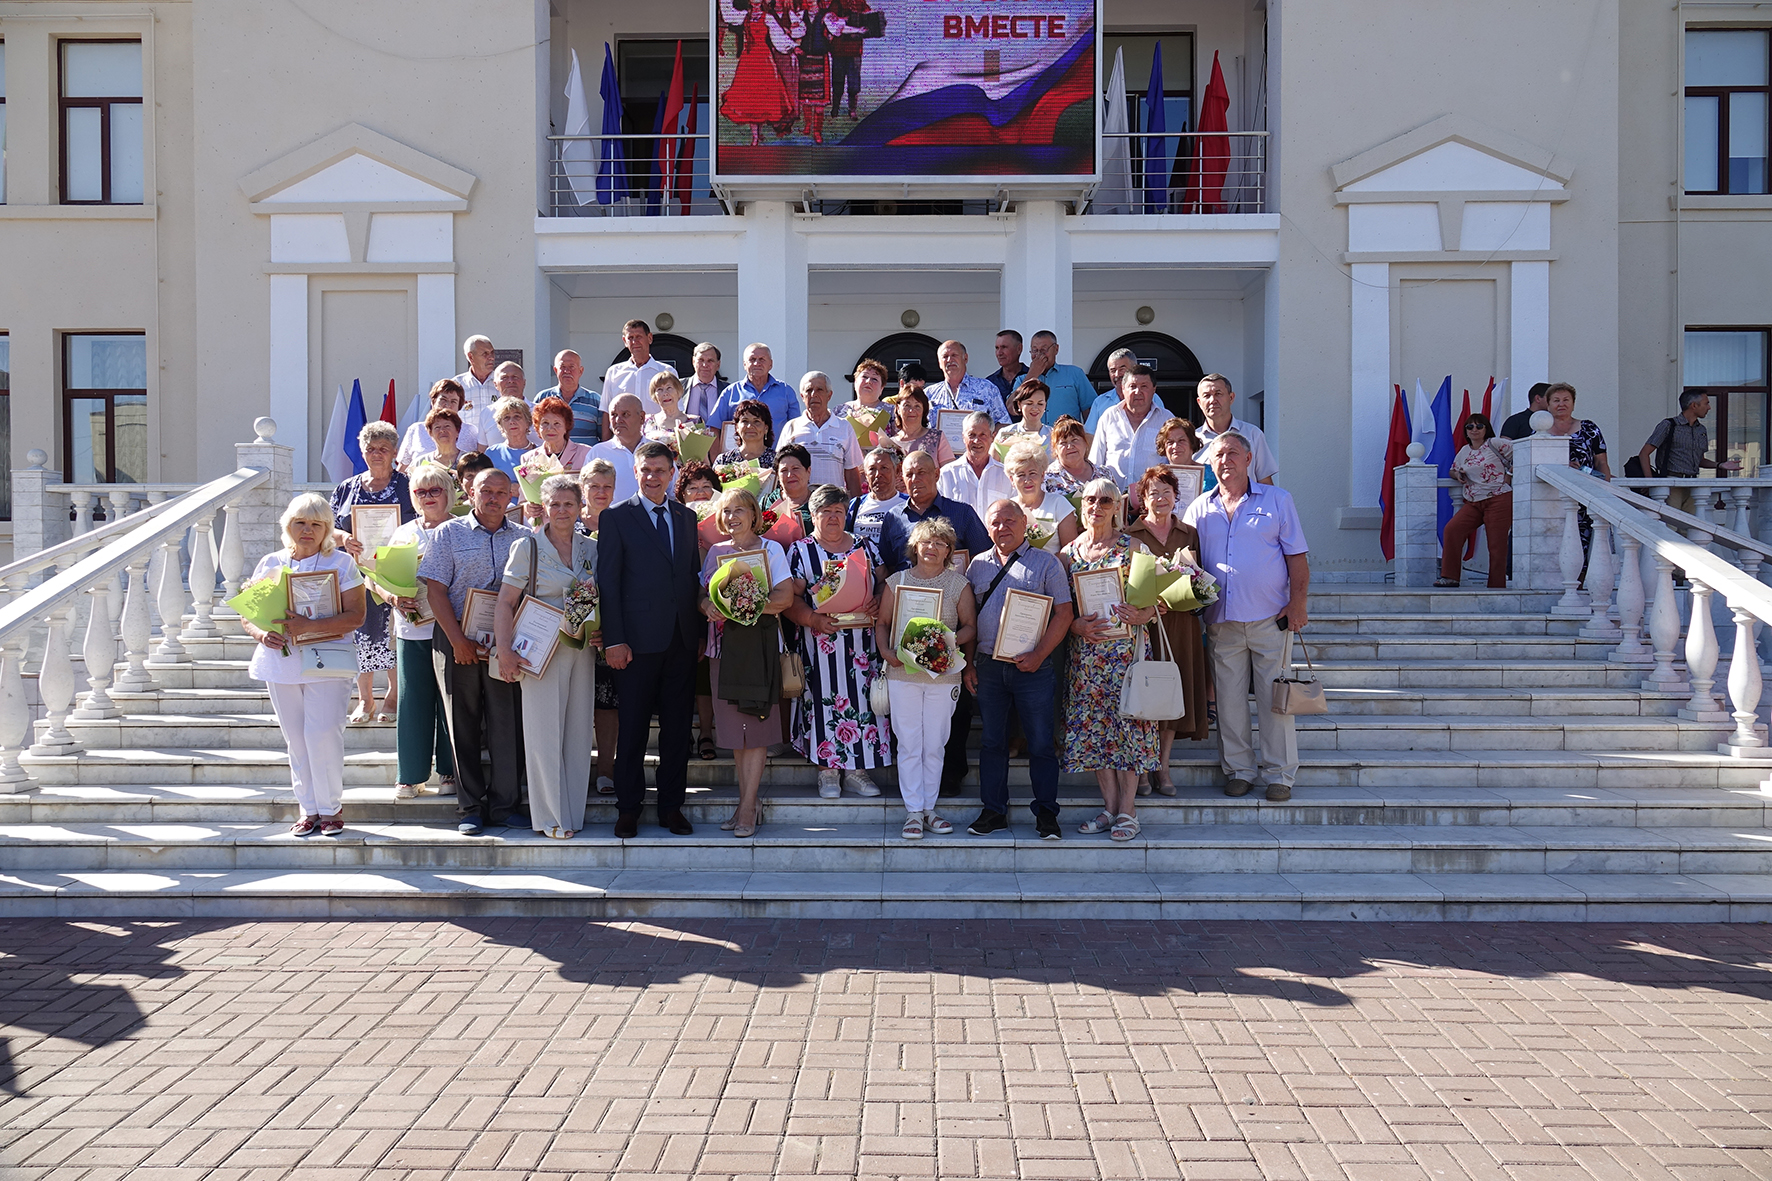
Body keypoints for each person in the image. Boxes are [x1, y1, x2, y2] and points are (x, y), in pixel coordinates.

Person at [1183, 431, 1310, 803]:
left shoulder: (1277, 500)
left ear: (1249, 458)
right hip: (1221, 622)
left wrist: (1298, 604)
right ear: (1210, 463)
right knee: (1229, 701)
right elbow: (1187, 561)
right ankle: (1239, 771)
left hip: (1271, 618)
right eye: (1219, 455)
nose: (1226, 461)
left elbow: (1297, 557)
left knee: (1276, 699)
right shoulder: (1198, 508)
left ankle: (1280, 775)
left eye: (1233, 454)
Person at [596, 440, 704, 839]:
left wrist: (697, 633)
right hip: (636, 644)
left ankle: (671, 807)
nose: (653, 476)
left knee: (677, 730)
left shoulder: (686, 516)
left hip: (680, 640)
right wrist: (615, 640)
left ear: (672, 472)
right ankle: (629, 808)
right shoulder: (616, 517)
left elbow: (690, 576)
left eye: (661, 469)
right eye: (646, 469)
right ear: (636, 472)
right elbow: (608, 581)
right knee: (633, 729)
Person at [244, 494, 369, 836]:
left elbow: (356, 615)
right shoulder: (270, 563)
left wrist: (309, 627)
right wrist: (260, 634)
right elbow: (248, 615)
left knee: (323, 734)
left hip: (326, 660)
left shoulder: (341, 563)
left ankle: (331, 808)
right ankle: (308, 809)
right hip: (281, 663)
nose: (308, 530)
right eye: (301, 522)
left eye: (317, 524)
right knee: (296, 739)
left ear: (327, 529)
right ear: (288, 526)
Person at [420, 467, 528, 834]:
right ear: (471, 491)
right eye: (486, 491)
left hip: (505, 645)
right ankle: (469, 807)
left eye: (501, 492)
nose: (494, 498)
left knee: (507, 722)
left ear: (512, 495)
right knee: (461, 723)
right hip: (456, 641)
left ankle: (505, 805)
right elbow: (435, 591)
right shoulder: (448, 533)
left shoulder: (524, 538)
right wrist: (457, 642)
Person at [878, 449, 992, 793]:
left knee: (948, 727)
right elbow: (885, 565)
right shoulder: (894, 518)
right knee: (911, 735)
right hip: (903, 650)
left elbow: (984, 560)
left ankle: (948, 780)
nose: (916, 479)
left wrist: (951, 643)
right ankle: (915, 800)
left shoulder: (962, 513)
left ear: (937, 473)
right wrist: (888, 647)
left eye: (923, 472)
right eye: (909, 474)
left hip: (949, 642)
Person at [493, 474, 599, 840]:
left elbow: (594, 596)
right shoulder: (528, 547)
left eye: (569, 504)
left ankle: (571, 814)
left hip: (580, 648)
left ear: (580, 507)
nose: (562, 510)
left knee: (578, 731)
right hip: (539, 652)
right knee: (543, 733)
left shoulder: (591, 548)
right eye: (555, 504)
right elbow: (505, 602)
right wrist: (504, 651)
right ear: (544, 507)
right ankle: (550, 817)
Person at [963, 499, 1075, 840]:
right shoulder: (977, 566)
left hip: (1033, 669)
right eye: (996, 522)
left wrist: (1040, 655)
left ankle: (1046, 814)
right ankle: (993, 811)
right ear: (987, 527)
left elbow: (1065, 614)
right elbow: (969, 619)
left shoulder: (1047, 564)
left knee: (1041, 743)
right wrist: (968, 664)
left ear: (1025, 522)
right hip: (989, 667)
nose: (1003, 527)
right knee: (993, 743)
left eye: (1010, 520)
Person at [1060, 480, 1162, 841]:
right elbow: (1060, 611)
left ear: (1117, 506)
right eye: (1090, 499)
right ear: (1080, 505)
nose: (1097, 506)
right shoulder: (1067, 554)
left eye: (1106, 500)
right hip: (1087, 659)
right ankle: (1109, 806)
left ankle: (1128, 811)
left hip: (1127, 656)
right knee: (1096, 733)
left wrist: (1145, 613)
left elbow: (1161, 600)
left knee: (1129, 731)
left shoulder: (1134, 547)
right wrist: (1073, 625)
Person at [700, 487, 797, 837]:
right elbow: (703, 595)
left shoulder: (771, 550)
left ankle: (746, 808)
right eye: (726, 511)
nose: (733, 517)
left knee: (754, 732)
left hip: (757, 650)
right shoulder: (715, 552)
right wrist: (708, 606)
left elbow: (784, 597)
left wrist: (745, 605)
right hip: (723, 653)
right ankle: (747, 802)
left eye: (740, 510)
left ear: (754, 514)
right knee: (735, 735)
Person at [783, 483, 891, 796]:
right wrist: (812, 619)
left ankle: (858, 770)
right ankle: (827, 772)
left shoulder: (865, 546)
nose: (833, 517)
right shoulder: (801, 550)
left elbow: (887, 583)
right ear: (813, 516)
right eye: (825, 511)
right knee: (822, 704)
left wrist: (879, 599)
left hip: (863, 647)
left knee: (863, 705)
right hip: (820, 646)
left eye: (839, 511)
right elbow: (791, 600)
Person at [877, 518, 976, 839]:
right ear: (915, 546)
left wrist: (943, 642)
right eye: (926, 542)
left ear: (949, 550)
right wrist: (886, 652)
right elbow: (882, 624)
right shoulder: (897, 581)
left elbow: (970, 628)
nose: (932, 548)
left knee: (934, 744)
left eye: (940, 543)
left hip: (943, 676)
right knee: (908, 743)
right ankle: (913, 812)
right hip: (902, 673)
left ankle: (930, 809)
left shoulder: (958, 584)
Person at [1126, 466, 1211, 786]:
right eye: (1153, 493)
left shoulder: (1189, 533)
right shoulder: (1131, 535)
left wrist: (1184, 595)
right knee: (1146, 689)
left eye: (1166, 492)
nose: (1160, 498)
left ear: (1176, 497)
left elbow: (1199, 576)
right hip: (1144, 625)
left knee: (1173, 687)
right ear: (1143, 500)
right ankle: (1143, 767)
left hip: (1179, 623)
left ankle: (1162, 766)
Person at [331, 420, 413, 724]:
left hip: (396, 572)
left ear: (393, 452)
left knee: (390, 634)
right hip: (356, 573)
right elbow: (330, 528)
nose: (376, 453)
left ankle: (392, 695)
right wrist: (343, 539)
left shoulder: (407, 484)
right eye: (370, 449)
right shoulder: (347, 487)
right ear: (362, 452)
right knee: (361, 635)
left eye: (383, 448)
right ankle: (365, 700)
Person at [388, 466, 459, 801]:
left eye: (435, 490)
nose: (428, 497)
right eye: (421, 492)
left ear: (448, 492)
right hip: (412, 630)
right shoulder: (402, 533)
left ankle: (449, 771)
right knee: (413, 700)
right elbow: (379, 576)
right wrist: (391, 596)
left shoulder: (462, 529)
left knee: (451, 701)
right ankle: (411, 776)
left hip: (452, 629)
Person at [579, 460, 622, 795]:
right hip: (571, 629)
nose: (601, 492)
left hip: (611, 627)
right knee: (574, 701)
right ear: (583, 487)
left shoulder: (624, 522)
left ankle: (606, 767)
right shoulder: (564, 521)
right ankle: (576, 767)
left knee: (608, 702)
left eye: (607, 486)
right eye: (594, 486)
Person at [677, 463, 725, 758]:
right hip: (682, 606)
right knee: (688, 672)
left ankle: (715, 730)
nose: (700, 493)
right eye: (692, 488)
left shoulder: (725, 522)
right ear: (681, 495)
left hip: (715, 605)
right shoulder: (675, 521)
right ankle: (693, 732)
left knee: (709, 670)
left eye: (706, 486)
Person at [1437, 414, 1514, 589]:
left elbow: (1524, 454)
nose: (1474, 430)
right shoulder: (1464, 451)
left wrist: (1509, 475)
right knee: (1452, 529)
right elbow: (1452, 470)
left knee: (1496, 544)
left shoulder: (1495, 444)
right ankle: (1450, 577)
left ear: (1486, 428)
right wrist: (1457, 475)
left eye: (1479, 426)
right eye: (1470, 427)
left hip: (1498, 498)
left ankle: (1496, 585)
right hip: (1473, 501)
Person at [1637, 389, 1739, 515]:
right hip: (1672, 484)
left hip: (1692, 484)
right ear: (1694, 405)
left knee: (1689, 529)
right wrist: (1650, 482)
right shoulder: (1669, 425)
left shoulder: (1701, 430)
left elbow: (1699, 460)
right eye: (1706, 403)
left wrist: (1720, 465)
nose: (1709, 407)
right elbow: (1644, 453)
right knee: (1670, 526)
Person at [1545, 381, 1609, 562]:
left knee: (1584, 543)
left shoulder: (1590, 429)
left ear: (1573, 403)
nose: (1561, 404)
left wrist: (1604, 490)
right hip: (1551, 497)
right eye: (1556, 400)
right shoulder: (1539, 431)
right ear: (1548, 405)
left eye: (1566, 400)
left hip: (1584, 494)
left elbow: (1601, 462)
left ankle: (1580, 582)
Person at [779, 371, 865, 493]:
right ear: (802, 396)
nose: (814, 394)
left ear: (829, 395)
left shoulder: (844, 427)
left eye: (819, 390)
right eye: (809, 390)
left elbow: (851, 471)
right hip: (801, 504)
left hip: (833, 503)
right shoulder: (791, 427)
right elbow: (781, 468)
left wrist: (855, 506)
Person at [723, 1, 794, 145]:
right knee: (750, 96)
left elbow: (778, 36)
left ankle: (758, 133)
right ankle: (755, 136)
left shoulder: (767, 18)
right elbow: (728, 15)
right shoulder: (744, 16)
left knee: (762, 96)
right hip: (749, 59)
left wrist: (792, 46)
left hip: (763, 59)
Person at [518, 396, 593, 525]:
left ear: (566, 427)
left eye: (557, 423)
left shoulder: (586, 453)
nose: (550, 428)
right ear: (537, 428)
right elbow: (523, 501)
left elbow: (591, 494)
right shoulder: (527, 458)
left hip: (576, 524)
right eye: (545, 423)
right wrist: (528, 508)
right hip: (543, 527)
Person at [1090, 365, 1166, 490]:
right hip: (1113, 500)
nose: (1138, 392)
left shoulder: (1166, 419)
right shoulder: (1109, 417)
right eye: (1132, 386)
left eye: (1144, 386)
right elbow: (1096, 461)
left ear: (1154, 389)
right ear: (1123, 389)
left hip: (1152, 499)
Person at [1194, 374, 1278, 484]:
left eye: (1218, 394)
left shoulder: (1253, 434)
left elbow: (1265, 482)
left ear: (1231, 397)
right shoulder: (1192, 440)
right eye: (1207, 395)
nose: (1213, 400)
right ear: (1199, 402)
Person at [1003, 437, 1079, 553]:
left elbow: (1070, 553)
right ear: (1012, 479)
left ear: (1042, 475)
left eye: (1032, 473)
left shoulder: (1059, 504)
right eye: (1021, 475)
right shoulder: (1008, 508)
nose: (1027, 480)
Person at [706, 343, 800, 431]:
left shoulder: (786, 391)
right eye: (752, 359)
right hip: (739, 448)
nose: (756, 363)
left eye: (762, 359)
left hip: (777, 449)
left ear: (770, 364)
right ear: (744, 364)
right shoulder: (730, 392)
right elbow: (714, 427)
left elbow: (796, 428)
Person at [601, 319, 676, 428]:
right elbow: (606, 412)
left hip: (656, 437)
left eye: (639, 337)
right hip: (622, 438)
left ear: (649, 338)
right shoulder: (613, 372)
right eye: (630, 338)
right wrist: (606, 443)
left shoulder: (667, 372)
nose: (634, 341)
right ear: (624, 341)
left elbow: (676, 409)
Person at [939, 412, 1015, 516]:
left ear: (992, 437)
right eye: (972, 435)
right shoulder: (946, 474)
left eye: (982, 435)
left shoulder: (1007, 476)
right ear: (963, 437)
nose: (976, 441)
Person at [397, 379, 481, 470]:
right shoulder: (415, 429)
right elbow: (403, 468)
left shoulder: (470, 431)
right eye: (443, 400)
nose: (448, 405)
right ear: (433, 402)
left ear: (459, 406)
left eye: (453, 401)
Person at [926, 339, 1010, 425]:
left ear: (965, 358)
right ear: (939, 363)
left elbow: (1004, 423)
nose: (950, 360)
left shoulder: (987, 388)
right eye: (945, 356)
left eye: (954, 355)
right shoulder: (929, 394)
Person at [1026, 330, 1096, 425]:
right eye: (1035, 350)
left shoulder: (1075, 374)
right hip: (1034, 438)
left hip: (1067, 437)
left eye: (1044, 350)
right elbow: (1011, 408)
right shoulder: (1022, 379)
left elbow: (1090, 409)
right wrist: (1032, 375)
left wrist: (1088, 435)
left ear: (1056, 349)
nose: (1039, 355)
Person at [588, 393, 647, 503]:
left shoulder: (657, 450)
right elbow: (585, 496)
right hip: (610, 518)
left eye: (625, 414)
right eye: (614, 415)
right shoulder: (597, 453)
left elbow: (673, 491)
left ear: (642, 417)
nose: (618, 420)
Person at [537, 349, 601, 449]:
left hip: (586, 461)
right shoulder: (542, 398)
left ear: (581, 371)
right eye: (562, 367)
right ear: (555, 370)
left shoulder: (595, 400)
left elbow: (604, 436)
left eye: (572, 367)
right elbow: (535, 431)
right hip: (551, 461)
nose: (567, 371)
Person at [847, 446, 905, 545]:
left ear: (897, 471)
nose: (878, 474)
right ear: (865, 475)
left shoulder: (909, 504)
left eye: (884, 468)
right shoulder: (854, 506)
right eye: (872, 469)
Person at [1044, 415, 1114, 497]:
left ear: (1085, 443)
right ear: (1055, 448)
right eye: (1063, 443)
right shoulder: (1046, 478)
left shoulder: (1104, 473)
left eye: (1075, 440)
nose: (1070, 446)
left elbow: (1117, 504)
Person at [826, 0, 872, 119]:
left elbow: (869, 17)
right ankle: (835, 108)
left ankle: (852, 109)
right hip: (839, 49)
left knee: (854, 83)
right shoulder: (835, 3)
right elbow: (831, 22)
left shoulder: (860, 2)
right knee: (837, 81)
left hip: (855, 50)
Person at [890, 386, 956, 467]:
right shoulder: (890, 444)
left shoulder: (937, 438)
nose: (912, 410)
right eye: (907, 405)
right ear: (898, 408)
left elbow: (949, 472)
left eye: (917, 406)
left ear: (924, 409)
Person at [453, 335, 500, 443]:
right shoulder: (457, 385)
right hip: (466, 450)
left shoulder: (501, 382)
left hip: (495, 449)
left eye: (492, 352)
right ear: (471, 357)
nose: (491, 357)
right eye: (485, 354)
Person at [712, 397, 777, 472]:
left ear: (766, 428)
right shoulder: (724, 460)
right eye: (745, 421)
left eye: (756, 421)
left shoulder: (777, 461)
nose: (750, 426)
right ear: (736, 427)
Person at [839, 357, 897, 439]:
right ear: (855, 382)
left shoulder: (892, 411)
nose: (868, 381)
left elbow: (898, 439)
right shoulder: (840, 410)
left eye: (874, 379)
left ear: (882, 388)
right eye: (865, 377)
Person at [766, 444, 817, 535]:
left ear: (808, 471)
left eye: (795, 468)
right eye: (784, 470)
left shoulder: (820, 503)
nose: (790, 475)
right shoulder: (768, 501)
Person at [1083, 348, 1137, 434]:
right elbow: (1089, 435)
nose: (1117, 375)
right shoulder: (1100, 402)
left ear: (1135, 369)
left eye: (1122, 369)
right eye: (1113, 370)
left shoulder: (1151, 399)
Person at [482, 397, 536, 481]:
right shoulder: (492, 453)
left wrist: (519, 489)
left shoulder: (539, 452)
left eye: (517, 416)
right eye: (506, 418)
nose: (512, 421)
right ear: (500, 425)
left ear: (528, 422)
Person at [995, 378, 1053, 454]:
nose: (1035, 408)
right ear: (1019, 404)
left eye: (1040, 404)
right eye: (1029, 403)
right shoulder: (1006, 432)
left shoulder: (1053, 434)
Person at [643, 371, 698, 443]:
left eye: (669, 388)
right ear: (655, 396)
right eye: (659, 389)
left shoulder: (695, 421)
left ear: (678, 391)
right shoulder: (647, 421)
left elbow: (703, 452)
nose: (665, 393)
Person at [415, 408, 465, 475]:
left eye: (447, 426)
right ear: (430, 433)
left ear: (457, 431)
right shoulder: (420, 463)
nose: (442, 430)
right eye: (437, 427)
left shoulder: (469, 461)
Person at [684, 343, 724, 421]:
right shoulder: (678, 387)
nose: (705, 365)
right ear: (693, 362)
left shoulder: (728, 390)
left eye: (710, 361)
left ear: (718, 365)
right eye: (701, 360)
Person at [986, 329, 1027, 403]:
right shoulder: (990, 382)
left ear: (1019, 349)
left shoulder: (1033, 376)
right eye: (997, 348)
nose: (999, 353)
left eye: (1004, 347)